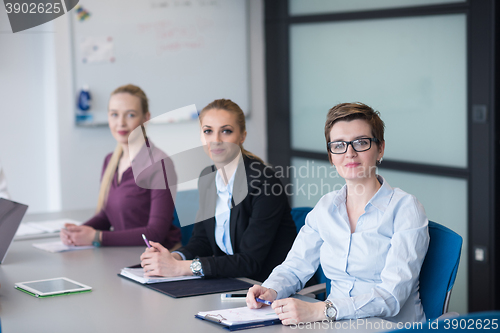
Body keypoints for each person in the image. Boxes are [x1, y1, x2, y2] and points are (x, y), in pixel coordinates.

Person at [247, 102, 430, 325]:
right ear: (331, 155)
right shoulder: (325, 207)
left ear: (380, 148)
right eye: (339, 145)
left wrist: (321, 311)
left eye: (361, 143)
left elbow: (391, 297)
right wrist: (270, 289)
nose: (350, 153)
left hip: (389, 327)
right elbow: (295, 267)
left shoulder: (406, 209)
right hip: (333, 325)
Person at [139, 99, 297, 282]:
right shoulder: (208, 178)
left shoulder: (263, 182)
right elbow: (202, 241)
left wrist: (180, 268)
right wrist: (173, 258)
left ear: (242, 136)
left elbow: (250, 262)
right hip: (231, 283)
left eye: (226, 131)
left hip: (269, 289)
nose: (216, 140)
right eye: (208, 131)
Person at [60, 84, 181, 248]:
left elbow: (155, 234)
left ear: (146, 118)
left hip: (155, 260)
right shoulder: (110, 160)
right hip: (120, 253)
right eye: (114, 114)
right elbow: (107, 215)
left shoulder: (159, 164)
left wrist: (97, 236)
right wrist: (78, 231)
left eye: (130, 115)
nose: (121, 123)